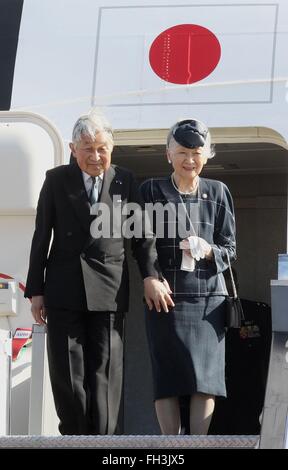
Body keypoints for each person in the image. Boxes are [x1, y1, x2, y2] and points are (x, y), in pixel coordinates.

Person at [24, 110, 174, 435]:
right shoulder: (56, 180)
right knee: (68, 374)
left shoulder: (126, 180)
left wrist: (150, 275)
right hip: (63, 290)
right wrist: (36, 290)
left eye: (102, 148)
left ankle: (103, 442)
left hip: (109, 289)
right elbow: (41, 237)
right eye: (87, 148)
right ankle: (76, 438)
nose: (95, 156)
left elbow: (143, 235)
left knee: (105, 373)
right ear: (72, 148)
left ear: (112, 147)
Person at [140, 118, 236, 435]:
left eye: (196, 152)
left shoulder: (219, 192)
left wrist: (209, 251)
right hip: (165, 297)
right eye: (182, 152)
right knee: (167, 378)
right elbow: (143, 241)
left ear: (207, 155)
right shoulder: (151, 190)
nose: (189, 160)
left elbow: (230, 249)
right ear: (168, 154)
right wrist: (150, 277)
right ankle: (172, 448)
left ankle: (197, 446)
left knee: (204, 379)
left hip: (209, 299)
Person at [209, 268, 272, 435]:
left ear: (236, 285)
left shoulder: (257, 313)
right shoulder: (201, 319)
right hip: (212, 400)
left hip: (249, 397)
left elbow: (270, 360)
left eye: (230, 283)